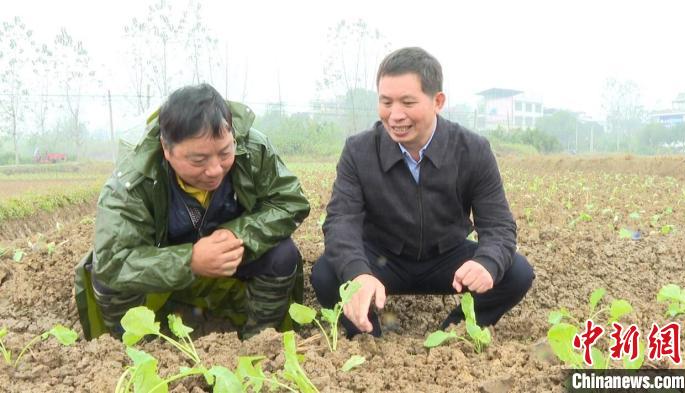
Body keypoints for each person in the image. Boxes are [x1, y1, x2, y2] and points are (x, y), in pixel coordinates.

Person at [311, 47, 534, 337]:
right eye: (386, 102)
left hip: (447, 260)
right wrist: (358, 273)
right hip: (383, 259)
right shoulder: (359, 150)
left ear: (437, 101)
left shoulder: (472, 150)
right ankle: (368, 336)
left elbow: (499, 225)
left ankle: (455, 332)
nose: (395, 115)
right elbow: (341, 221)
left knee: (515, 271)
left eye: (407, 102)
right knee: (327, 274)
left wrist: (486, 263)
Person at [74, 83, 310, 340]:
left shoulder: (252, 149)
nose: (215, 170)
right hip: (164, 264)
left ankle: (258, 339)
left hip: (229, 259)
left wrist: (239, 234)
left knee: (282, 254)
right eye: (198, 160)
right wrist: (190, 260)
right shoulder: (134, 177)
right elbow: (114, 263)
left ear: (232, 136)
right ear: (166, 148)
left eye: (224, 153)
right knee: (107, 280)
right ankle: (141, 346)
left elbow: (290, 201)